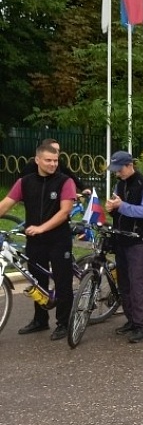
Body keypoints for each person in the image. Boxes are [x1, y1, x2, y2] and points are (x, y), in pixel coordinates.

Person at [0, 143, 76, 340]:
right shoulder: (25, 182)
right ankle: (40, 320)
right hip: (35, 241)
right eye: (48, 160)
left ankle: (64, 323)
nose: (52, 164)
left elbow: (65, 211)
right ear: (37, 160)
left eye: (55, 160)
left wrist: (42, 227)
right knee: (37, 281)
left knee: (62, 281)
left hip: (59, 239)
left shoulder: (65, 181)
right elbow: (6, 204)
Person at [105, 151, 143, 343]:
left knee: (137, 285)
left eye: (119, 170)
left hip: (137, 241)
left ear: (129, 165)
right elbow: (118, 209)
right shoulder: (120, 184)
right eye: (115, 171)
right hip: (121, 239)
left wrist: (122, 206)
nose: (117, 174)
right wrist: (112, 209)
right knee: (124, 284)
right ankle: (131, 320)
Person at [19, 138, 92, 196]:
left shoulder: (60, 163)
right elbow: (22, 185)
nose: (53, 164)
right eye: (53, 149)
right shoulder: (31, 167)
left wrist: (83, 188)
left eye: (58, 150)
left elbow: (71, 175)